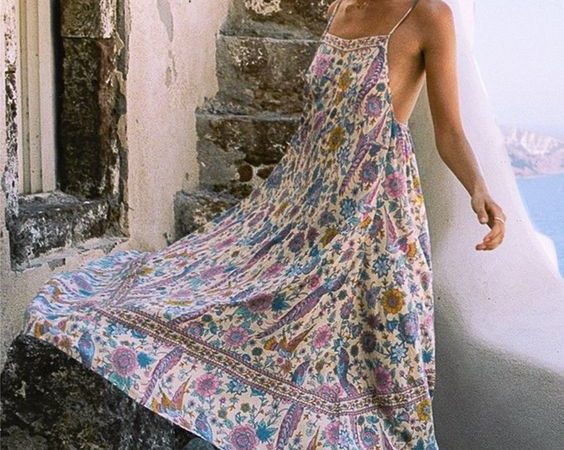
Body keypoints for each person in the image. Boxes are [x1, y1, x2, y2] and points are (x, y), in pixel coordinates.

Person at [22, 0, 506, 449]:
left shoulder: (428, 15)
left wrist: (478, 187)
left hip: (371, 214)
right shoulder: (341, 6)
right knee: (201, 292)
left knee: (367, 364)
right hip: (302, 203)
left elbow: (449, 130)